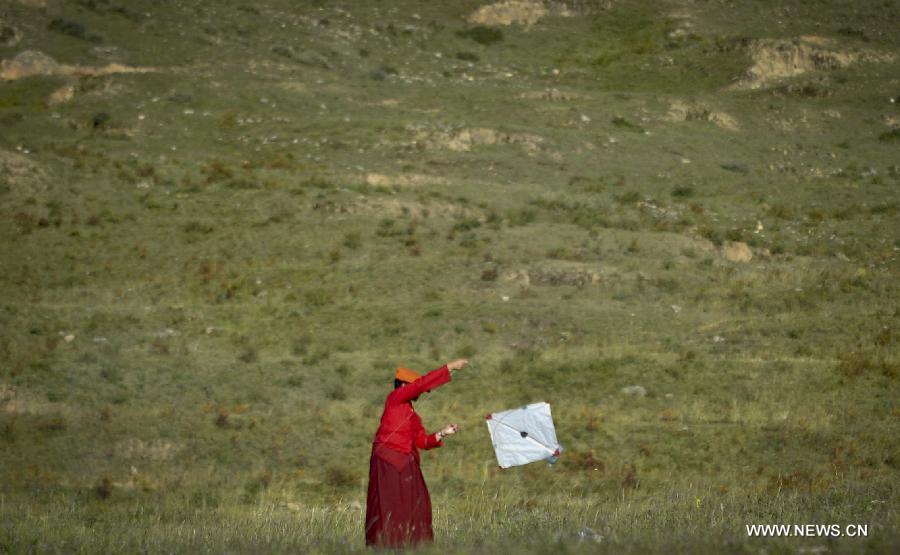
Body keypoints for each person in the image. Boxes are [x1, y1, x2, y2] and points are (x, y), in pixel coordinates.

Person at [364, 359, 468, 548]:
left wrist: (442, 433)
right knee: (390, 507)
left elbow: (422, 442)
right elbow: (420, 385)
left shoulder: (413, 416)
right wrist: (450, 367)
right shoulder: (394, 398)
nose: (418, 391)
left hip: (406, 463)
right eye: (412, 386)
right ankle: (389, 546)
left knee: (418, 505)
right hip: (388, 459)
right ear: (403, 385)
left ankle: (412, 546)